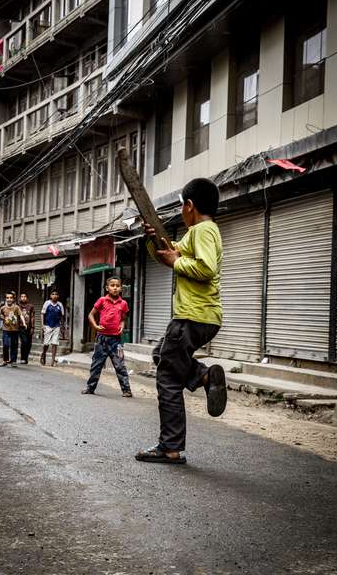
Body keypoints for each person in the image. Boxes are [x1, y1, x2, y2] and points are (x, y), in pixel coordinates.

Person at [136, 178, 227, 465]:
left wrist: (175, 262)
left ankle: (170, 448)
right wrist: (153, 238)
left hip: (192, 316)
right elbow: (168, 250)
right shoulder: (197, 233)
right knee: (160, 354)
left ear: (189, 206)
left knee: (167, 378)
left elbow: (206, 268)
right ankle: (202, 375)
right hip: (197, 316)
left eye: (182, 207)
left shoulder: (203, 231)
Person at [82, 276, 133, 397]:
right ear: (107, 288)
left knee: (120, 365)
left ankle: (126, 390)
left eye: (117, 286)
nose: (115, 288)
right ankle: (90, 387)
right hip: (101, 339)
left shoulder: (123, 303)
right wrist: (95, 326)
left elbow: (123, 318)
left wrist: (122, 325)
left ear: (121, 288)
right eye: (112, 285)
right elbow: (91, 315)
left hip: (116, 341)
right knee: (96, 365)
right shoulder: (102, 300)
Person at [0, 292, 26, 367]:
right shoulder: (2, 308)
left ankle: (13, 361)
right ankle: (5, 360)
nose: (9, 299)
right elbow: (1, 315)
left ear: (13, 299)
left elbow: (21, 315)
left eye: (11, 298)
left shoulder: (16, 307)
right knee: (5, 345)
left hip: (15, 330)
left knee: (14, 346)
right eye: (7, 298)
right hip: (6, 329)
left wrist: (24, 323)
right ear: (5, 299)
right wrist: (2, 318)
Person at [40, 289, 64, 367]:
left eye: (56, 294)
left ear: (58, 296)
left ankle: (53, 360)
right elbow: (42, 314)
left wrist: (62, 327)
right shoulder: (47, 303)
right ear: (50, 296)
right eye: (53, 294)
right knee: (46, 344)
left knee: (54, 343)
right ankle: (43, 355)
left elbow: (62, 316)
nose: (54, 295)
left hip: (56, 326)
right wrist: (42, 325)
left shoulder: (60, 305)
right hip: (47, 325)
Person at [18, 292, 35, 364]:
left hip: (29, 327)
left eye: (25, 296)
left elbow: (32, 317)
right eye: (22, 296)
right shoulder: (18, 306)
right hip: (21, 327)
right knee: (24, 342)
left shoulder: (30, 306)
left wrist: (32, 327)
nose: (23, 298)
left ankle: (26, 358)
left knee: (29, 343)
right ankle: (22, 358)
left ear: (27, 298)